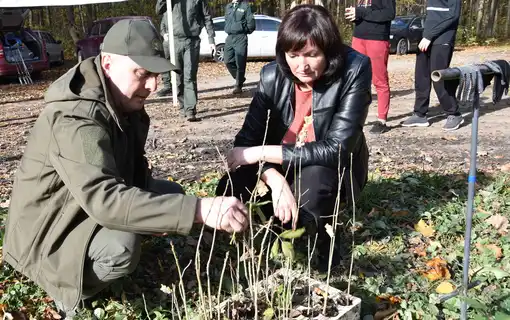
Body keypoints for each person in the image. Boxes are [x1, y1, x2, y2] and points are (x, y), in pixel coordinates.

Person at [2, 19, 248, 317]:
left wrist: (176, 208)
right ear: (107, 63)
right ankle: (67, 289)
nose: (153, 86)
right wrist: (198, 210)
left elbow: (132, 170)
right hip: (49, 230)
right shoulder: (76, 116)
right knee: (123, 246)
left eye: (156, 75)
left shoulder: (120, 98)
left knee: (172, 193)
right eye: (142, 73)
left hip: (81, 204)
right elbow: (105, 200)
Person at [215, 5, 371, 264]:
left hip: (327, 165)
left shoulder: (354, 69)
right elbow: (245, 143)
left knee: (310, 192)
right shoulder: (271, 75)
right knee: (230, 185)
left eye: (312, 55)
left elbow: (338, 148)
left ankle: (321, 239)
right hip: (280, 163)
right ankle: (244, 242)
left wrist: (261, 153)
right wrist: (274, 179)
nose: (302, 66)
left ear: (328, 51)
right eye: (294, 55)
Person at [402, 0, 463, 131]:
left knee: (438, 77)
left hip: (443, 38)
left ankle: (454, 113)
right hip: (426, 37)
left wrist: (430, 35)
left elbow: (453, 15)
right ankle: (419, 114)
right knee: (421, 77)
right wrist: (426, 35)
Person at [155, 0, 216, 122]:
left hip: (192, 42)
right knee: (178, 77)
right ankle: (183, 105)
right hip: (175, 42)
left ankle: (190, 110)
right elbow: (158, 10)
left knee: (189, 76)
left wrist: (211, 39)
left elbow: (207, 17)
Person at [345, 0, 396, 134]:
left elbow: (389, 14)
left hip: (377, 39)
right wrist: (355, 16)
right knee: (356, 79)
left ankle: (381, 120)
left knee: (379, 80)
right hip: (358, 37)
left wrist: (361, 12)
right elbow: (366, 14)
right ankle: (354, 118)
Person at [224, 0, 255, 94]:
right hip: (230, 37)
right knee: (228, 61)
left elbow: (251, 23)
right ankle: (240, 78)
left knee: (240, 62)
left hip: (241, 37)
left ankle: (238, 85)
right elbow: (226, 20)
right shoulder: (228, 6)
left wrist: (243, 30)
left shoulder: (245, 6)